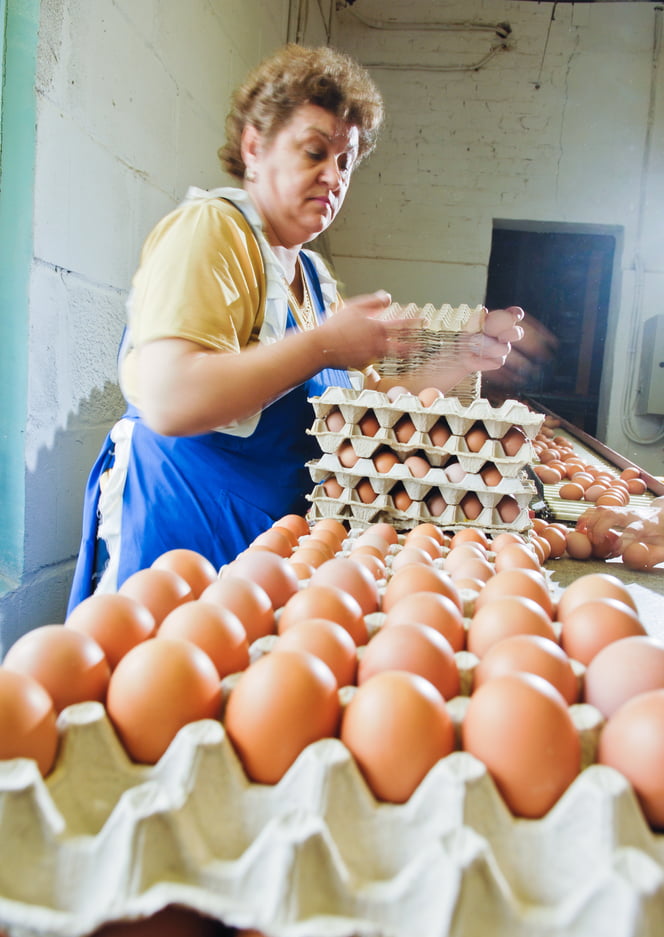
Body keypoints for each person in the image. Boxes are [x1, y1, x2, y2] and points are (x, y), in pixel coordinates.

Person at [67, 43, 524, 612]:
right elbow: (170, 398)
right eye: (315, 152)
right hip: (182, 527)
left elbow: (357, 407)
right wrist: (325, 343)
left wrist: (460, 358)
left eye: (345, 162)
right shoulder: (214, 231)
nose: (332, 176)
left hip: (266, 543)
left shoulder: (312, 274)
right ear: (254, 148)